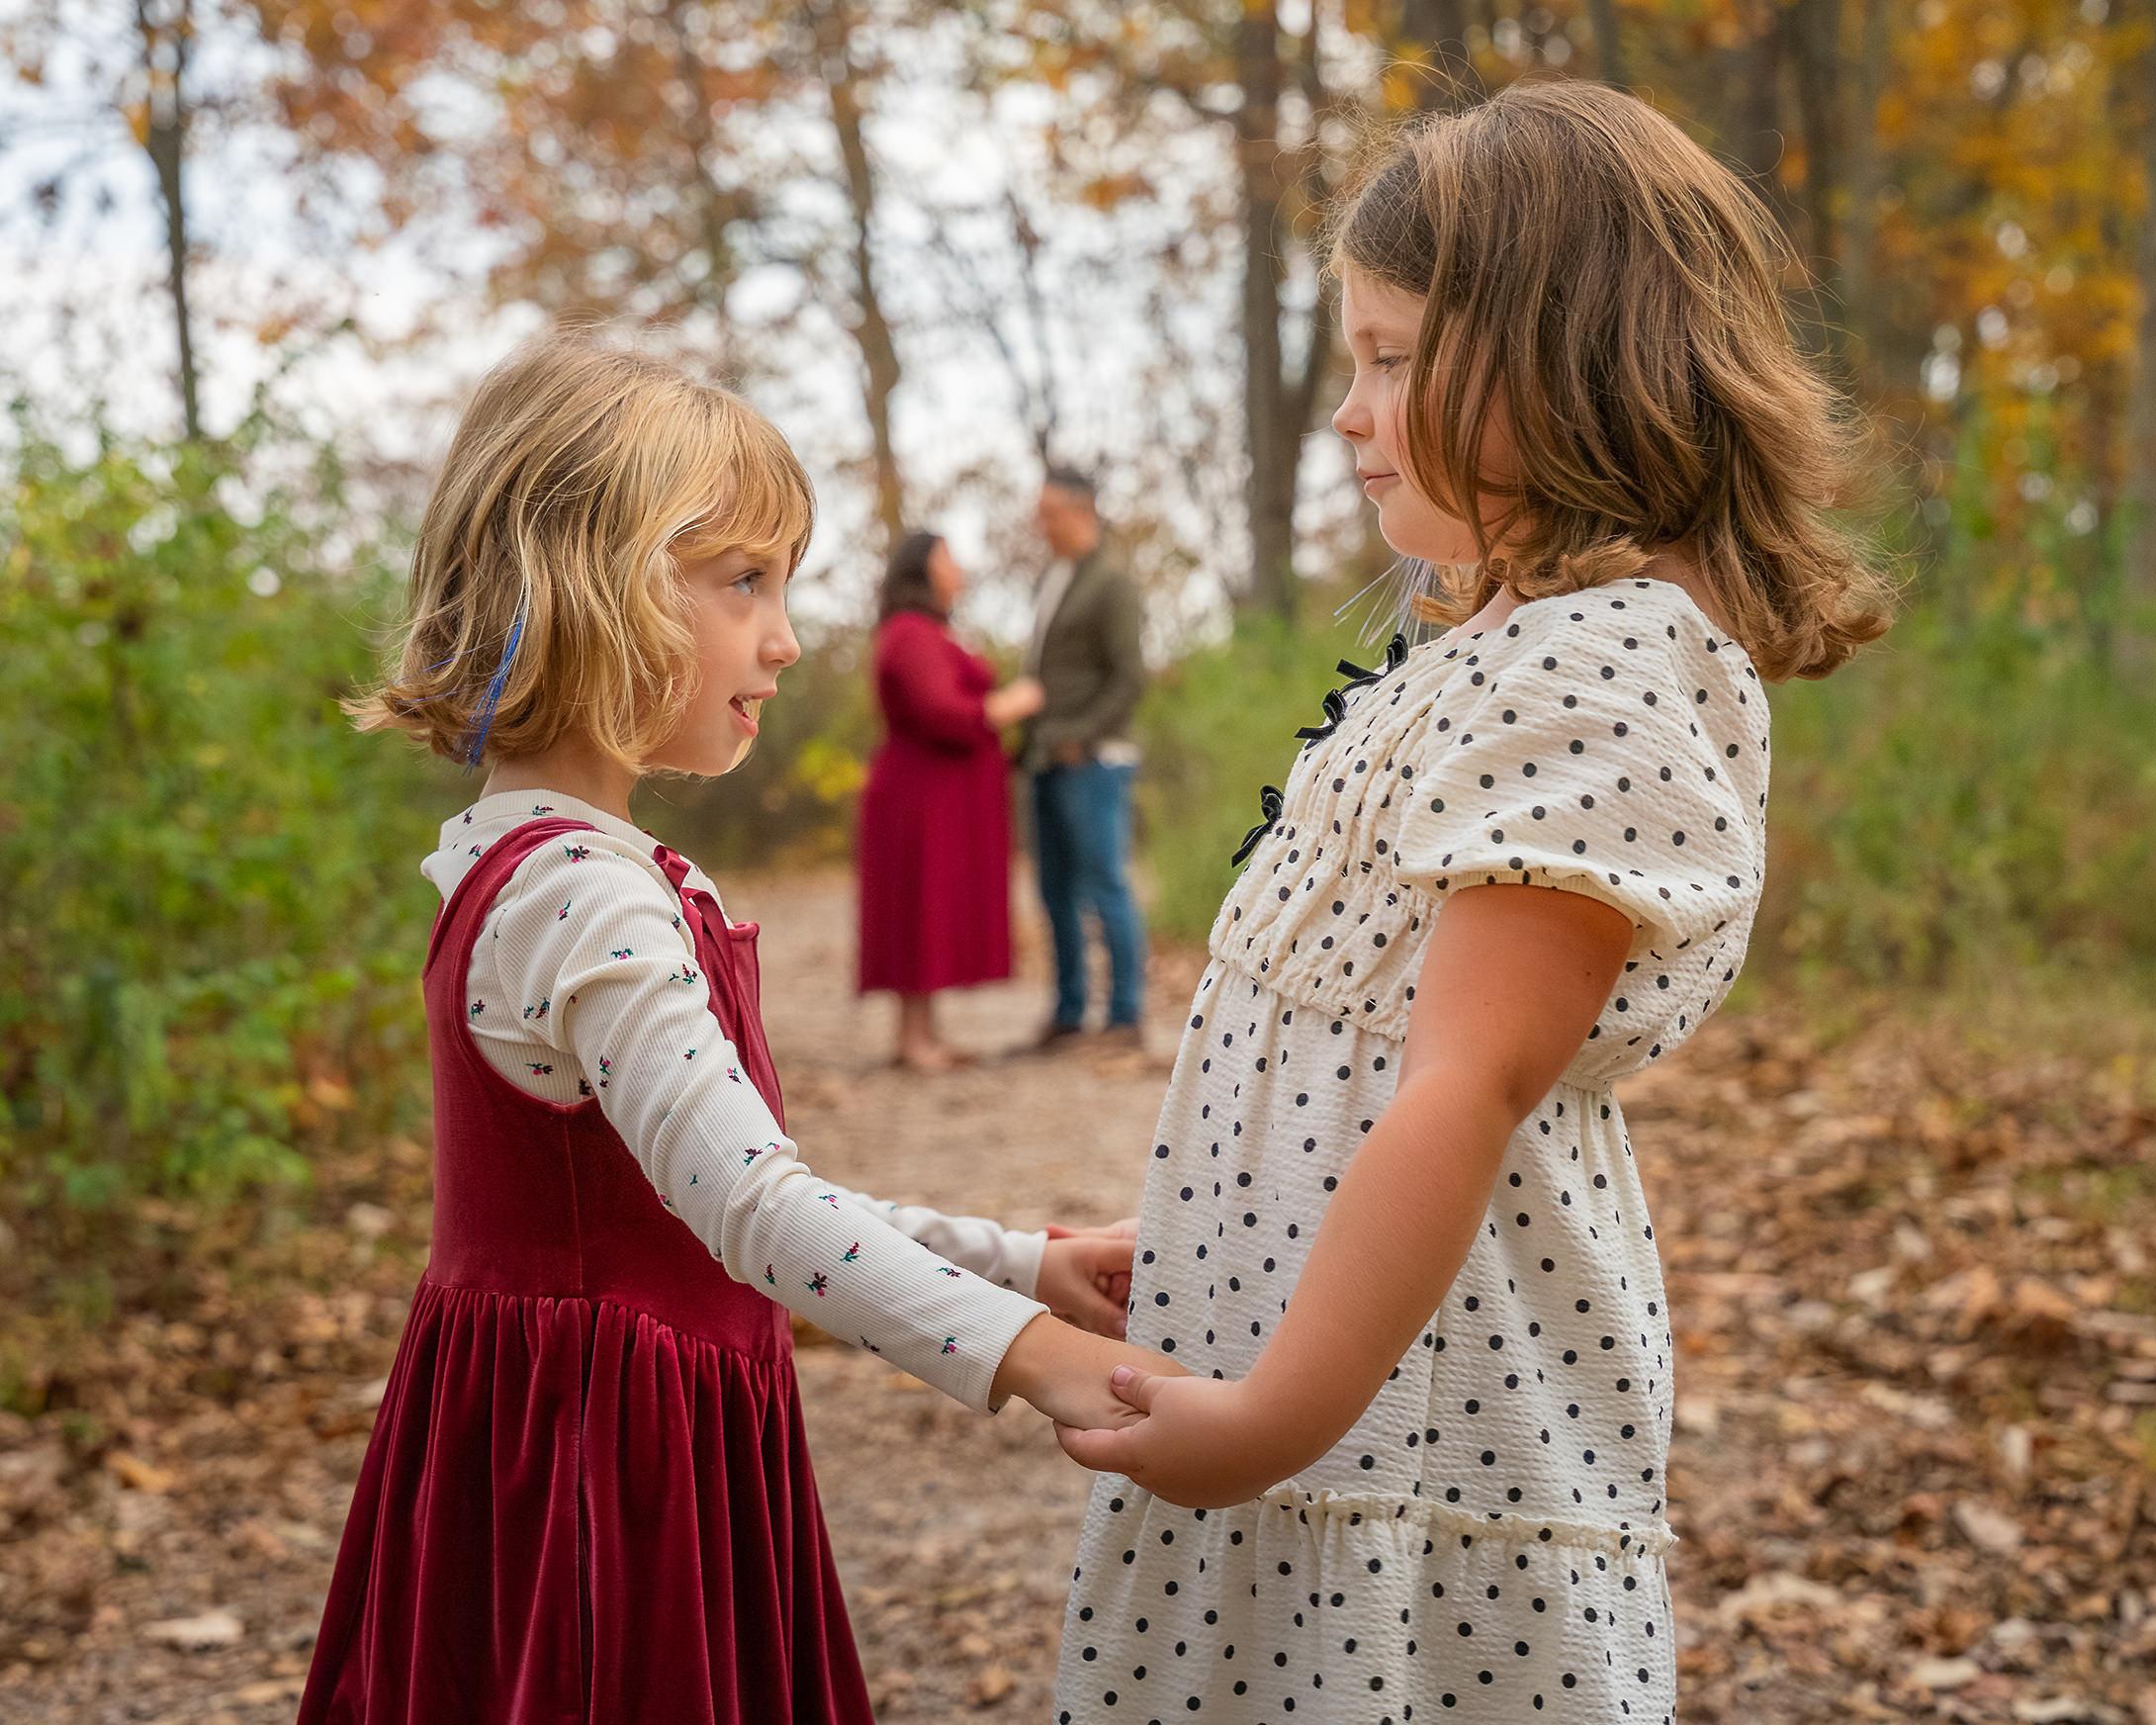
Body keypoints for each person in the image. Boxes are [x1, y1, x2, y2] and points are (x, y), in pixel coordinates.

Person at [1049, 80, 1895, 1722]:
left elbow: (1463, 1083)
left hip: (1406, 1405)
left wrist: (1278, 1411)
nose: (1352, 413)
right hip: (1337, 1340)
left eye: (1392, 357)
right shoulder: (1504, 642)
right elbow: (1363, 1051)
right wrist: (1228, 1235)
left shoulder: (1596, 668)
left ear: (1560, 359)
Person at [303, 333, 1168, 1724]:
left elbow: (734, 1189)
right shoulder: (586, 896)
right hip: (602, 1485)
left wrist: (1026, 1264)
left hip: (593, 1440)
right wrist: (1043, 1362)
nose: (785, 634)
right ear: (588, 590)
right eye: (743, 581)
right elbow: (760, 1215)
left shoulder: (550, 867)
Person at [856, 529, 1044, 1070]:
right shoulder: (910, 632)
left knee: (930, 905)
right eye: (949, 556)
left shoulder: (932, 631)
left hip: (935, 796)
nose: (959, 566)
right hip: (920, 799)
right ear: (924, 569)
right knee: (920, 903)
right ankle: (914, 1040)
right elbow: (941, 710)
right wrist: (1009, 704)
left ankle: (925, 1034)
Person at [1023, 465, 1150, 1050]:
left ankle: (1125, 1014)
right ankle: (1070, 1009)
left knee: (1104, 884)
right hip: (1046, 759)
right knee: (1053, 888)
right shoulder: (1050, 577)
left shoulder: (1112, 583)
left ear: (1080, 511)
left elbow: (1128, 678)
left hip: (1094, 761)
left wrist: (1080, 735)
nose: (1041, 526)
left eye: (1049, 514)